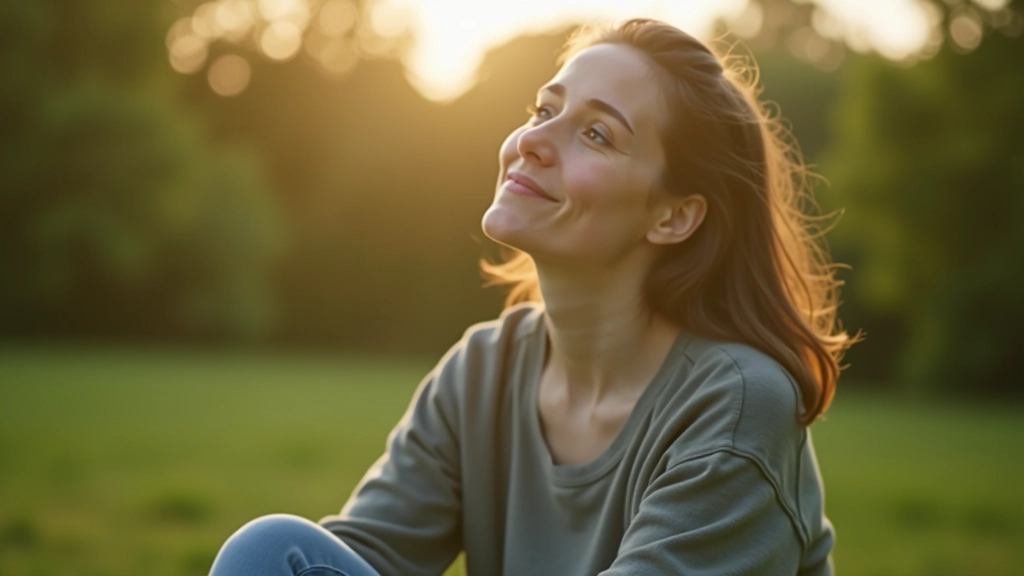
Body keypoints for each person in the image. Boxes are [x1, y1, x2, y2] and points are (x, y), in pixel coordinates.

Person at [209, 17, 856, 576]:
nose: (531, 142)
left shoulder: (737, 402)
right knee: (275, 555)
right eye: (544, 112)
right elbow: (355, 560)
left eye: (597, 133)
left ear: (674, 216)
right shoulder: (483, 372)